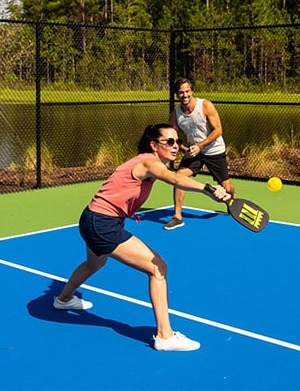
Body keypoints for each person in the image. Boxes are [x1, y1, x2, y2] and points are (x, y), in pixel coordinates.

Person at [53, 123, 230, 352]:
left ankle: (63, 299)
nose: (175, 146)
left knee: (94, 263)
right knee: (158, 268)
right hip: (102, 224)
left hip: (91, 218)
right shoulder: (149, 162)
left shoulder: (142, 161)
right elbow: (175, 179)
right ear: (154, 145)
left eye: (177, 141)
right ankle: (165, 336)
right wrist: (209, 189)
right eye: (169, 142)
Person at [164, 77, 235, 230]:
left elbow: (218, 131)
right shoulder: (175, 114)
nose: (185, 95)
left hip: (214, 151)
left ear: (192, 91)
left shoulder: (205, 105)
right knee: (179, 178)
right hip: (194, 153)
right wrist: (186, 150)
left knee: (226, 186)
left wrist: (200, 146)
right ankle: (177, 216)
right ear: (177, 95)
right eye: (181, 93)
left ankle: (233, 200)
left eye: (187, 91)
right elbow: (174, 138)